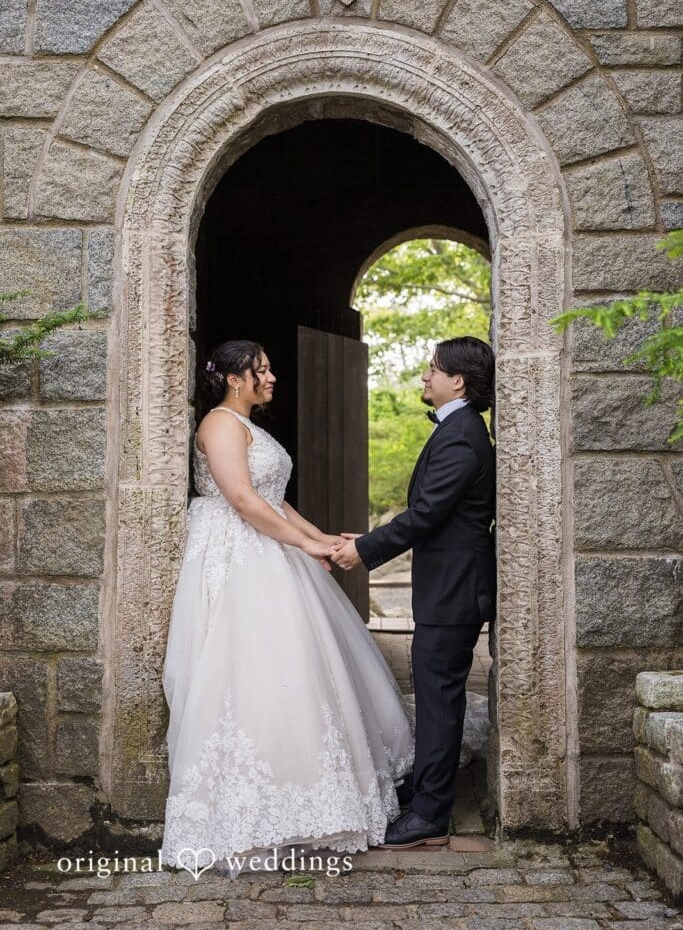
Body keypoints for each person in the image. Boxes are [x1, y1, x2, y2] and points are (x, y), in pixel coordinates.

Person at [160, 339, 414, 876]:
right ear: (235, 378)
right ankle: (248, 812)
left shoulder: (250, 426)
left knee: (297, 670)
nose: (272, 378)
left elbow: (275, 500)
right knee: (248, 671)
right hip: (238, 555)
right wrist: (304, 546)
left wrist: (319, 537)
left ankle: (317, 798)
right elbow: (245, 502)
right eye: (263, 370)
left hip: (267, 545)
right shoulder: (221, 425)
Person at [332, 336, 496, 849]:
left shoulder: (463, 434)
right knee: (432, 696)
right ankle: (423, 793)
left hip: (454, 592)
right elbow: (434, 514)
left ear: (458, 381)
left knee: (439, 701)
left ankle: (430, 813)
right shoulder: (458, 430)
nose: (425, 377)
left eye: (432, 369)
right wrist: (368, 540)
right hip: (446, 588)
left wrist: (364, 552)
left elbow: (427, 515)